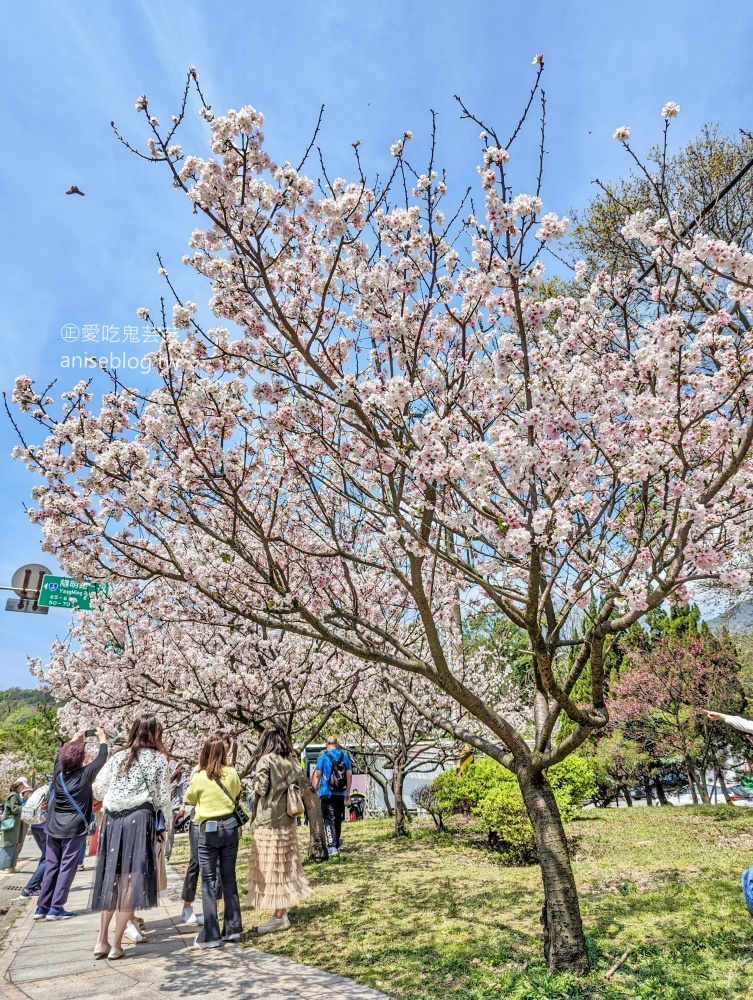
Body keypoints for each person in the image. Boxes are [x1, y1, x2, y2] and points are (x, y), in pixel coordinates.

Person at [90, 715, 171, 960]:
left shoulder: (118, 758)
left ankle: (101, 940)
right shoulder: (158, 759)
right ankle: (116, 944)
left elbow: (98, 789)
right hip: (140, 820)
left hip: (113, 821)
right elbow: (163, 799)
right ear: (156, 734)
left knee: (111, 879)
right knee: (129, 883)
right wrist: (164, 829)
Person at [34, 731, 109, 921]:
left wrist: (75, 739)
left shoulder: (58, 774)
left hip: (52, 827)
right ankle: (56, 908)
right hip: (73, 828)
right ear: (81, 760)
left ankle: (42, 907)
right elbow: (102, 758)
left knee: (51, 865)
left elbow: (61, 754)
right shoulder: (85, 775)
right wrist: (102, 740)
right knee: (67, 866)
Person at [248, 724, 312, 935]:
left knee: (271, 868)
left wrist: (255, 783)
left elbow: (262, 788)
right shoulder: (291, 761)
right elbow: (302, 784)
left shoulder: (265, 761)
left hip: (269, 821)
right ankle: (281, 911)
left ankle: (279, 916)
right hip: (288, 821)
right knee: (284, 865)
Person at [183, 733, 242, 948]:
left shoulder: (199, 776)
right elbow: (236, 793)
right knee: (229, 877)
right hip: (230, 827)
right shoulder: (233, 773)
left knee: (208, 880)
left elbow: (189, 798)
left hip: (208, 829)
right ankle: (233, 928)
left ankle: (210, 933)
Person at [175, 734, 229, 927]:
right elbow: (189, 797)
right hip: (199, 821)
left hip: (219, 823)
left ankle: (212, 910)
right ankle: (187, 905)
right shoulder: (199, 771)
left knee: (217, 867)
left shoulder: (228, 772)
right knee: (195, 861)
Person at [312, 736, 352, 858]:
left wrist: (314, 789)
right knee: (338, 818)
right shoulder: (344, 756)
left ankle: (332, 846)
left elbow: (318, 774)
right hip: (340, 793)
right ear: (337, 744)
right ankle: (336, 842)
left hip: (326, 793)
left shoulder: (323, 757)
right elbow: (349, 775)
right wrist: (348, 792)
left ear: (326, 745)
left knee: (329, 819)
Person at [19, 780, 50, 898]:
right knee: (48, 858)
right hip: (44, 828)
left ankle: (36, 885)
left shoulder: (42, 789)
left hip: (35, 827)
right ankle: (29, 889)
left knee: (45, 857)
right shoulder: (52, 791)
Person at [0, 777, 32, 873]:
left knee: (13, 845)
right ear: (20, 785)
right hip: (11, 824)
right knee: (8, 845)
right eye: (23, 786)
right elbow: (14, 809)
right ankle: (4, 866)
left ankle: (10, 867)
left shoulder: (15, 794)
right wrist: (24, 805)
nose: (23, 789)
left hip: (13, 824)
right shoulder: (13, 795)